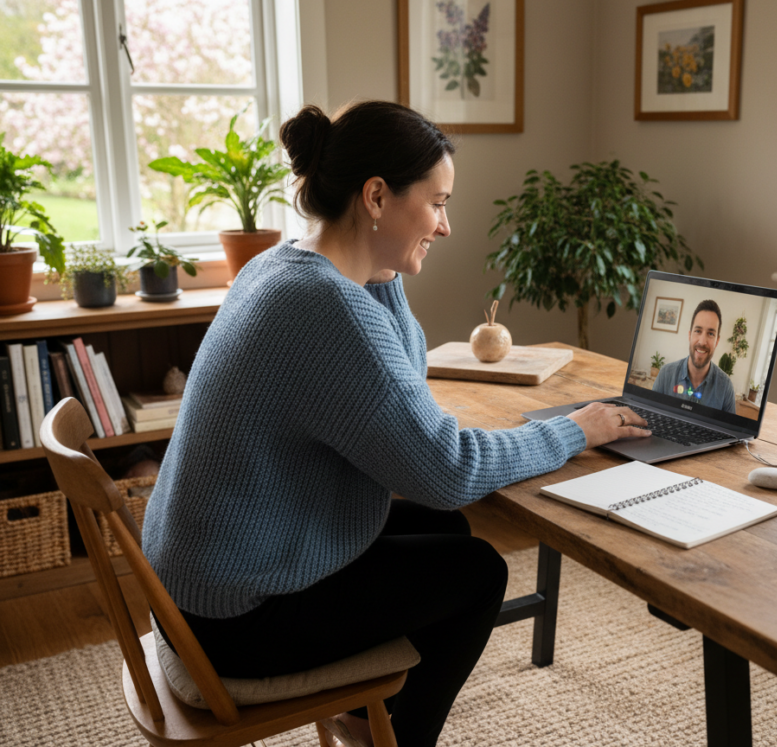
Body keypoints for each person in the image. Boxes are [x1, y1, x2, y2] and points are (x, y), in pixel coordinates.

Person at [141, 100, 651, 747]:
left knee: (447, 530)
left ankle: (363, 722)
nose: (446, 226)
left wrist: (381, 267)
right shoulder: (326, 306)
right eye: (437, 204)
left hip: (195, 587)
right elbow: (449, 469)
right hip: (233, 620)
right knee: (478, 574)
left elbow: (402, 378)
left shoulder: (281, 265)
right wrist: (578, 429)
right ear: (376, 196)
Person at [652, 299, 736, 413]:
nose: (702, 342)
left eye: (711, 333)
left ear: (717, 341)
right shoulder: (665, 375)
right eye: (698, 331)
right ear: (689, 335)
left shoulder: (726, 387)